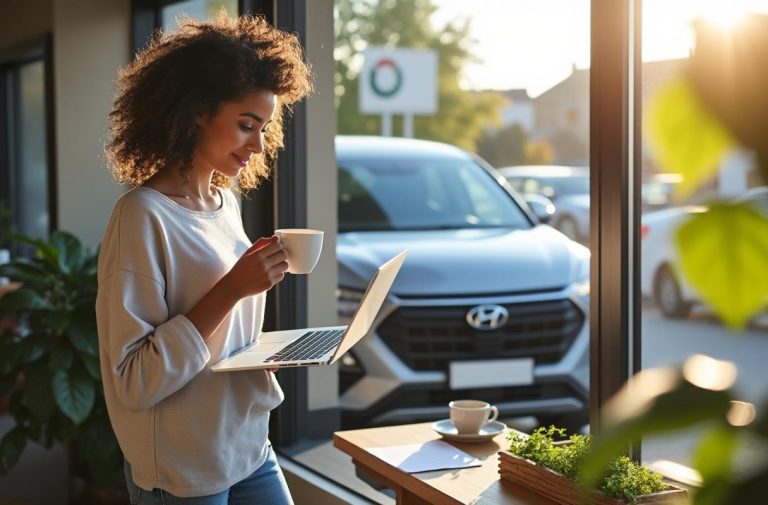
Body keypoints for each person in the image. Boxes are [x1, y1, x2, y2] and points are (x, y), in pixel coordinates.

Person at [95, 12, 312, 504]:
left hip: (248, 445)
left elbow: (216, 335)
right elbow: (134, 380)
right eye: (245, 125)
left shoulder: (224, 203)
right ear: (196, 112)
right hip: (184, 469)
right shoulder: (141, 217)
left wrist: (259, 354)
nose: (258, 145)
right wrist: (234, 287)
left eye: (264, 128)